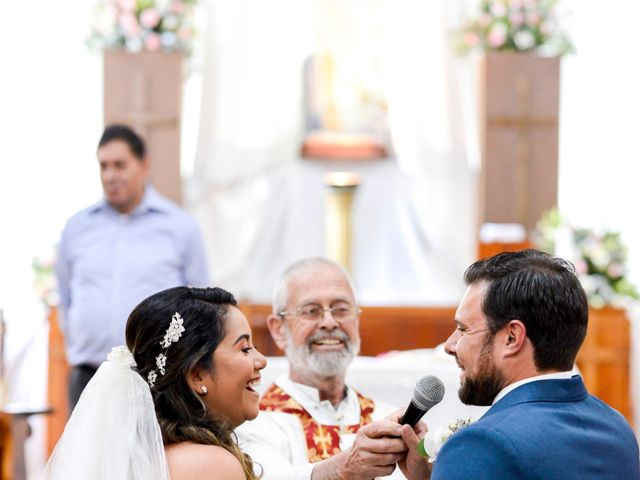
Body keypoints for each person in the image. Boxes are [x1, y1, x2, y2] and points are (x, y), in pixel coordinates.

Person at [398, 249, 640, 480]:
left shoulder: (480, 446)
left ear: (512, 338)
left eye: (464, 329)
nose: (450, 345)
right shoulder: (616, 428)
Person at [55, 124, 209, 411]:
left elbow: (199, 302)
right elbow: (65, 297)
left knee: (154, 456)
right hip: (90, 374)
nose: (109, 175)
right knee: (88, 457)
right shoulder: (77, 228)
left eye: (120, 165)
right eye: (103, 166)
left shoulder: (179, 227)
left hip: (156, 377)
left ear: (144, 166)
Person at [45, 286, 267, 479]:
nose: (262, 361)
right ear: (197, 375)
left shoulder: (140, 455)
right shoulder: (211, 466)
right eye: (245, 348)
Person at [236, 257, 410, 479]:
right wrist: (343, 469)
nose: (329, 322)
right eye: (311, 310)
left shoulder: (387, 419)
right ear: (278, 329)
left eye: (341, 309)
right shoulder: (253, 425)